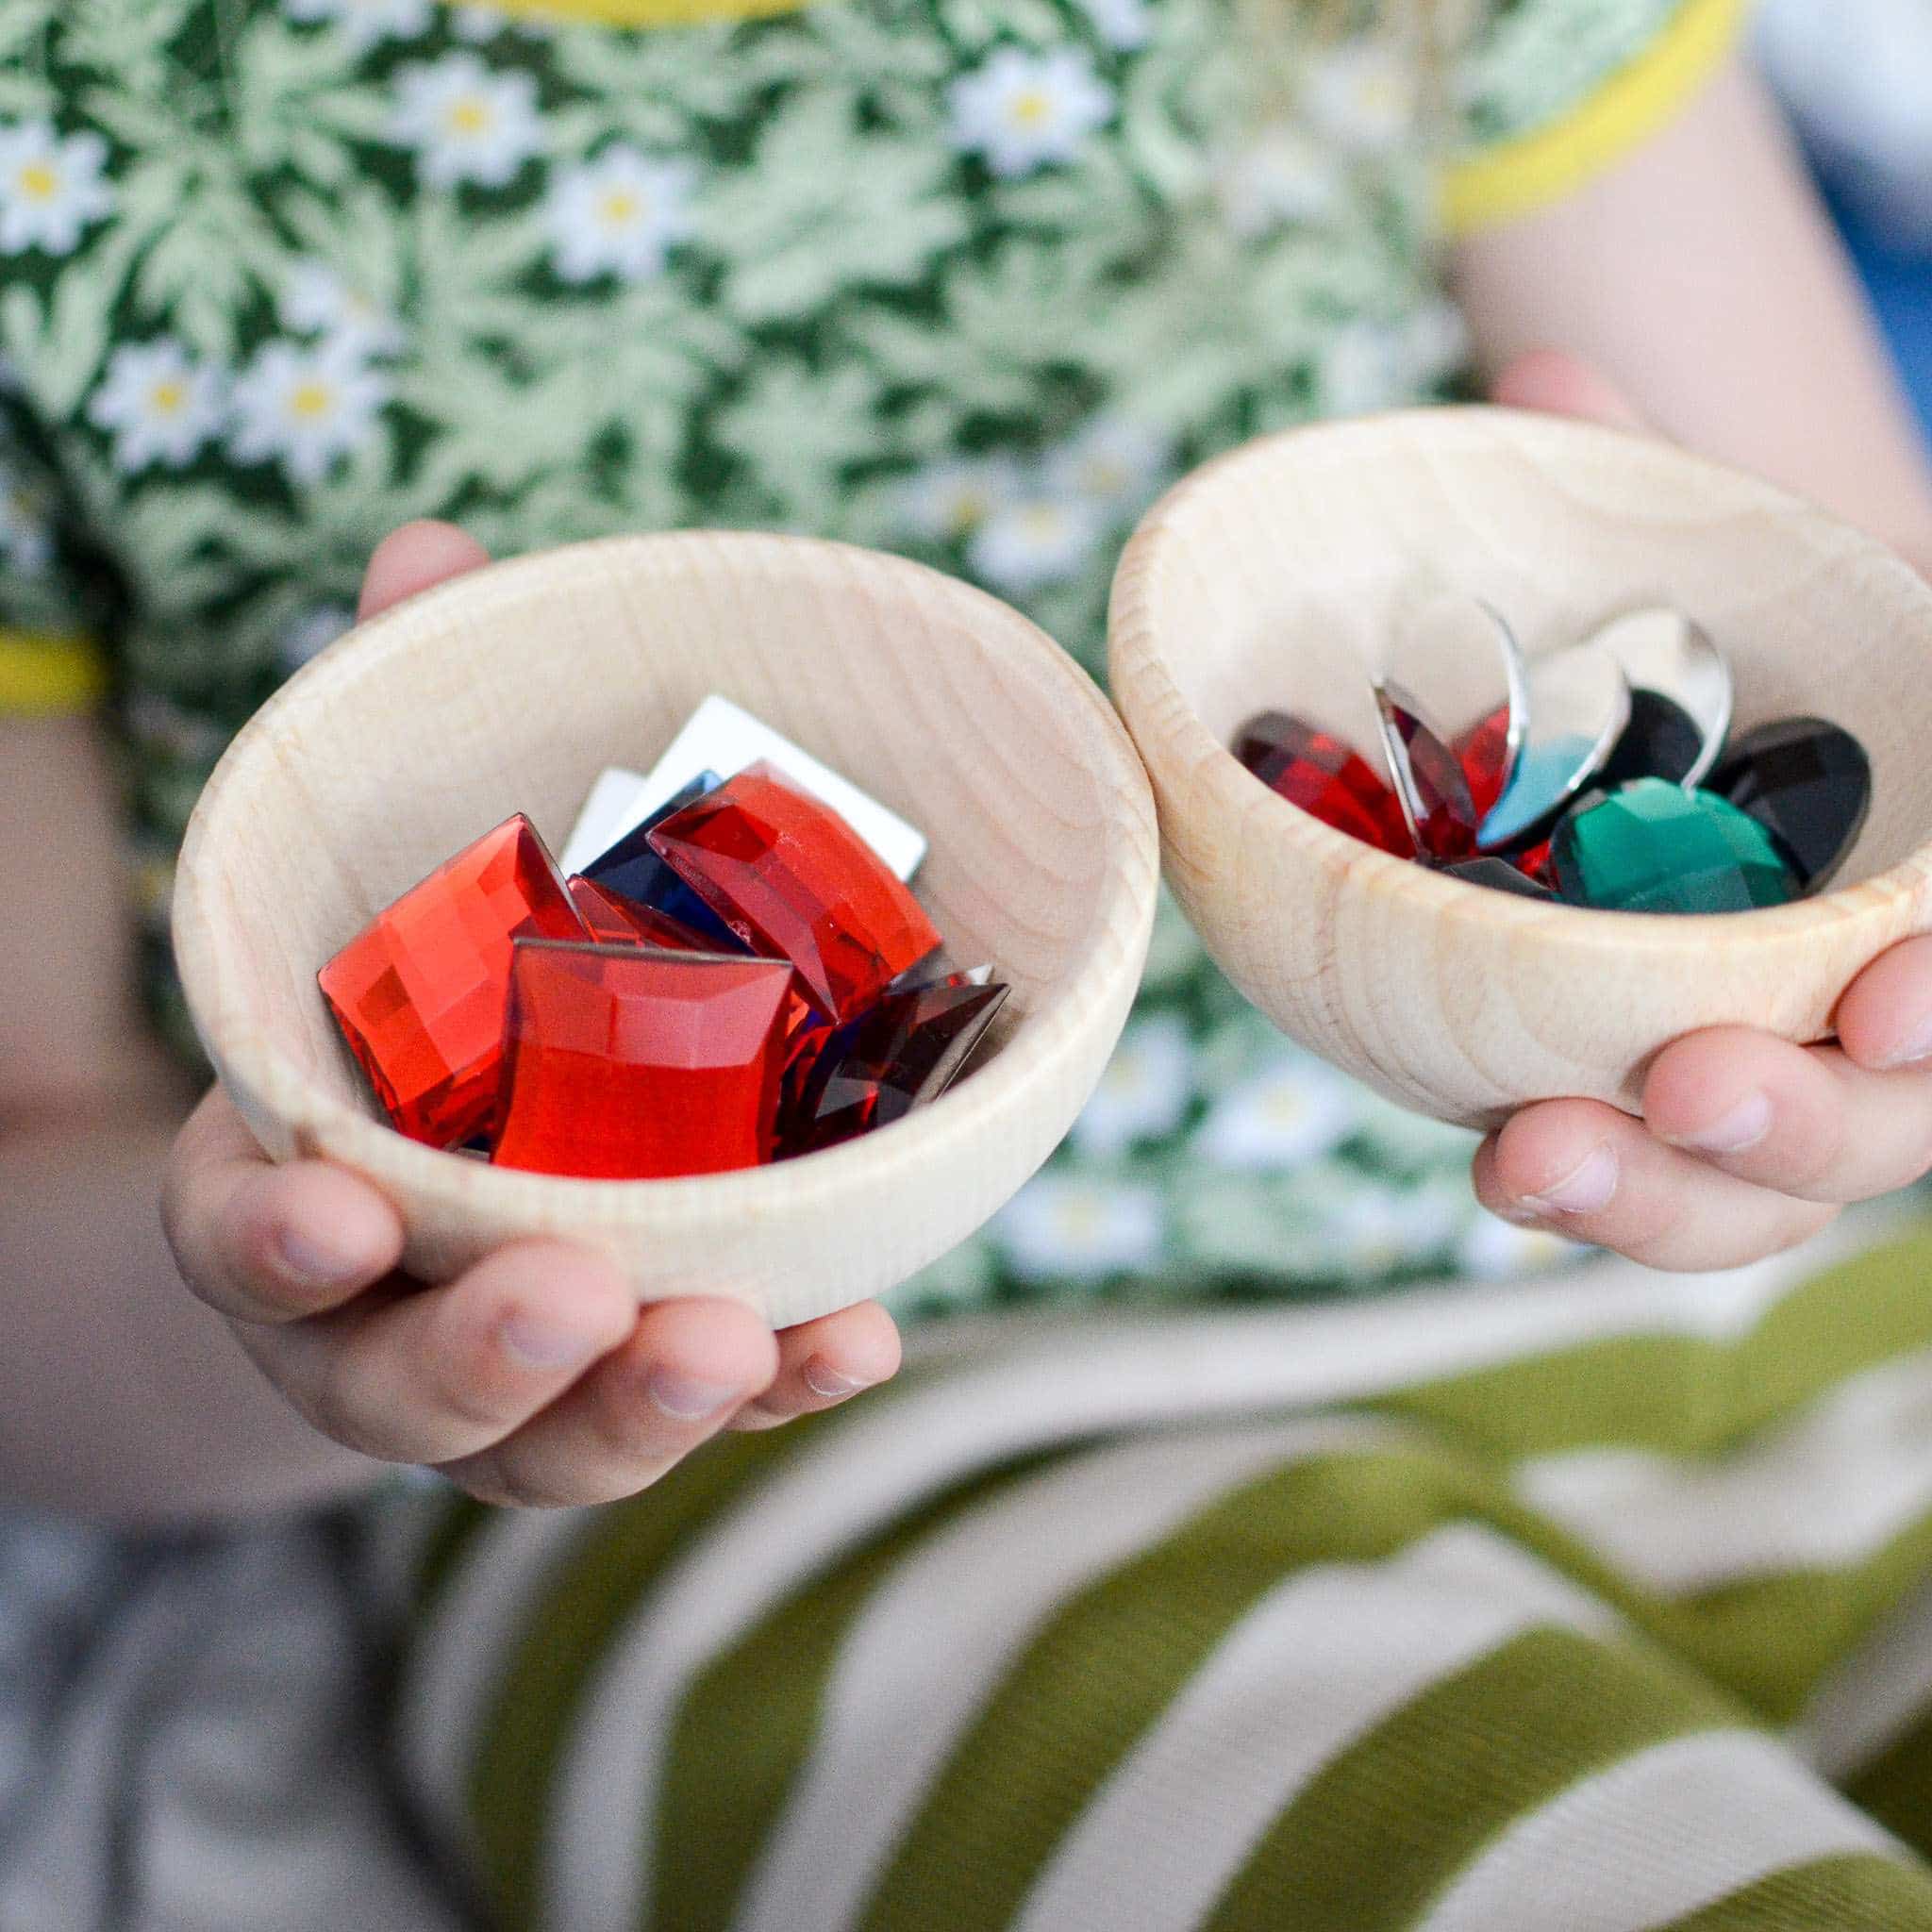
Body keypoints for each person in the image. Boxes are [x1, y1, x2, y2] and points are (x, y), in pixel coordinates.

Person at [8, 0, 1932, 1924]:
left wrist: (1864, 1052)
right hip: (831, 1480)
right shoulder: (61, 127)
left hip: (1774, 1327)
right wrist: (322, 1312)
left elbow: (1860, 666)